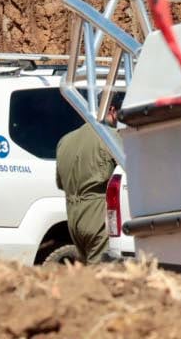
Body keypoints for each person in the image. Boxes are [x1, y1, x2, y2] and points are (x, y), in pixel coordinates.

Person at [55, 108, 118, 263]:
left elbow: (60, 183)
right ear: (111, 109)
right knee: (103, 276)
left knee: (88, 274)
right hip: (98, 215)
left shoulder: (65, 141)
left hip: (73, 218)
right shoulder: (110, 136)